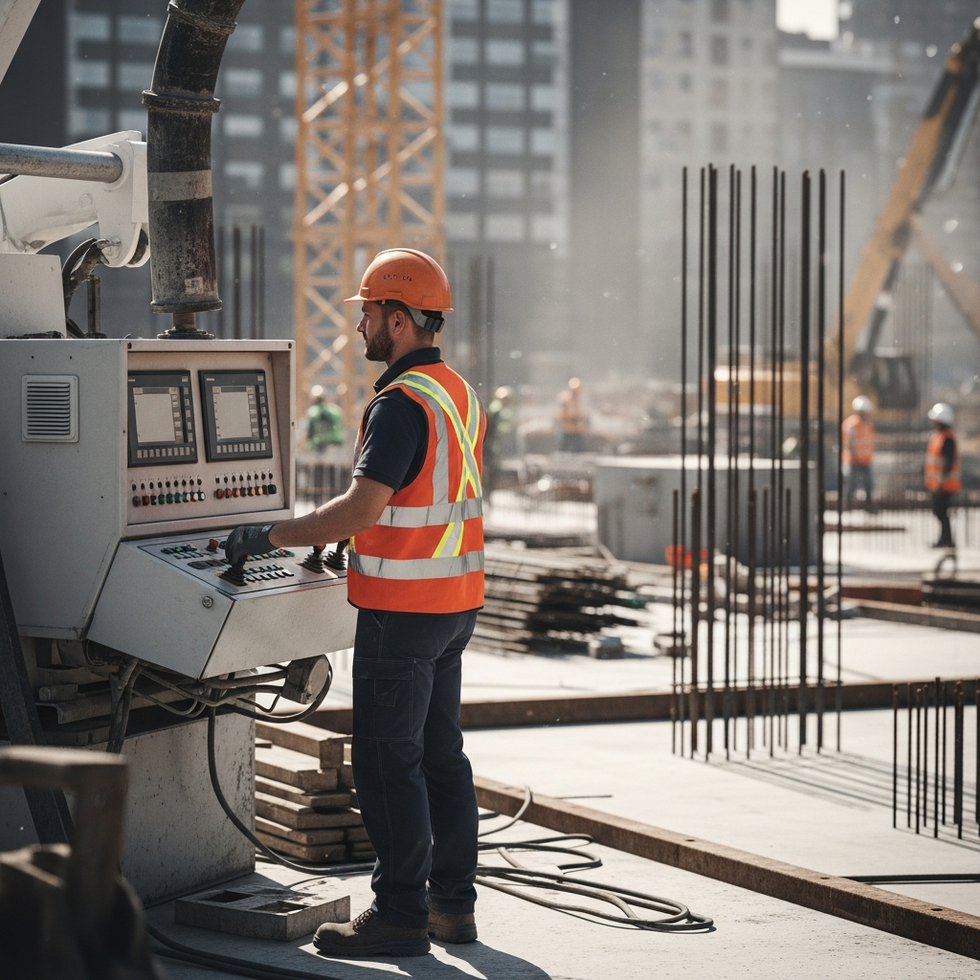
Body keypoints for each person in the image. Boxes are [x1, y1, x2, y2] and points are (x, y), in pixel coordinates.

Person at [225, 248, 486, 959]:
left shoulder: (399, 404)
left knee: (384, 762)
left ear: (399, 319)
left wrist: (269, 535)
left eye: (369, 312)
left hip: (402, 615)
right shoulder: (455, 391)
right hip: (453, 604)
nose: (360, 326)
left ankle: (400, 915)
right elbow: (423, 500)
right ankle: (452, 908)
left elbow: (359, 507)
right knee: (441, 758)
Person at [925, 401, 960, 549]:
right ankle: (945, 539)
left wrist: (940, 480)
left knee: (941, 512)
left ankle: (946, 540)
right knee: (939, 512)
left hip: (945, 484)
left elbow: (948, 462)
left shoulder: (947, 438)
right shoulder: (939, 436)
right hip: (939, 483)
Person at [841, 395, 875, 510]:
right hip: (852, 460)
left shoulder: (868, 425)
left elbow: (869, 441)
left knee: (868, 485)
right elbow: (850, 443)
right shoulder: (852, 424)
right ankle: (847, 507)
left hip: (865, 460)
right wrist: (855, 457)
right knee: (851, 484)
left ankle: (868, 506)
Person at [484, 385, 516, 495]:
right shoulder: (498, 409)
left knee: (490, 466)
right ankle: (489, 488)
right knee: (490, 467)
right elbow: (500, 428)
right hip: (492, 443)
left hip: (491, 442)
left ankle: (489, 487)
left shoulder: (495, 408)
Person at [305, 385, 344, 451]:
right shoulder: (335, 411)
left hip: (317, 446)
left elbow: (309, 433)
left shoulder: (312, 412)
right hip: (335, 446)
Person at [557, 376, 587, 452]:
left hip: (577, 429)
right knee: (563, 449)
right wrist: (571, 418)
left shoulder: (578, 400)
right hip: (567, 428)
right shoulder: (566, 399)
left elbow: (581, 413)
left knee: (579, 449)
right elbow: (562, 414)